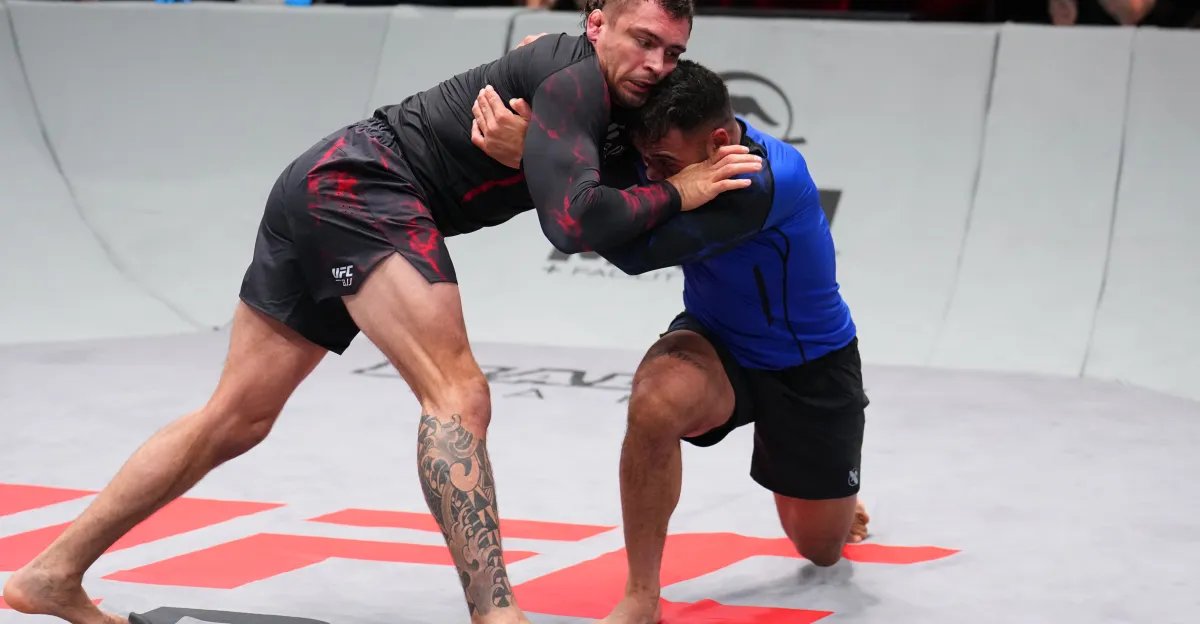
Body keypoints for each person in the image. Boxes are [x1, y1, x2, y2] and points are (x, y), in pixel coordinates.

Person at [1, 3, 765, 624]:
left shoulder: (608, 97)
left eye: (673, 50)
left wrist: (548, 159)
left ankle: (50, 574)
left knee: (234, 418)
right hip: (364, 187)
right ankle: (497, 616)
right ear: (597, 24)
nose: (657, 64)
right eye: (642, 41)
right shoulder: (573, 81)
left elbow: (594, 197)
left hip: (322, 179)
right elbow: (573, 224)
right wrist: (676, 190)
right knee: (458, 393)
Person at [470, 58, 870, 624]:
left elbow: (635, 252)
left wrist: (538, 164)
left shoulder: (763, 181)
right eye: (648, 161)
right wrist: (541, 142)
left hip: (811, 365)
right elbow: (593, 176)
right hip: (718, 342)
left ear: (719, 144)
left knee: (820, 551)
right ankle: (642, 595)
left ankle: (834, 497)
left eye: (666, 165)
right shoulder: (657, 150)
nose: (654, 176)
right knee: (654, 403)